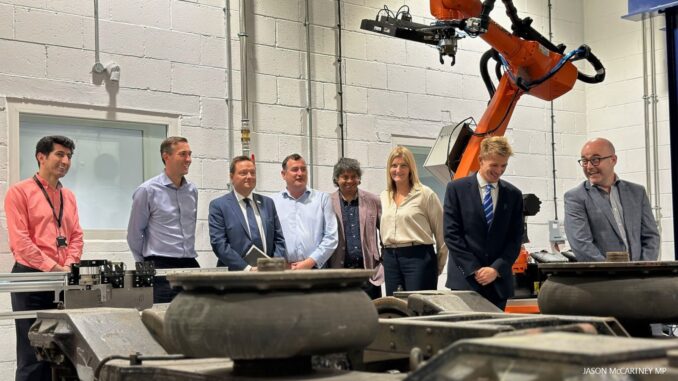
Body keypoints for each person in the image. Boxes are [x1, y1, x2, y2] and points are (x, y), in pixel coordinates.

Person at [5, 135, 84, 381]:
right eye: (59, 154)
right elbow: (21, 242)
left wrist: (68, 266)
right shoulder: (19, 192)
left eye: (69, 156)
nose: (66, 161)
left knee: (64, 351)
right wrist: (54, 267)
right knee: (33, 353)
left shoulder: (68, 196)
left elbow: (76, 236)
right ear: (41, 157)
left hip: (62, 279)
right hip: (31, 279)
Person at [443, 137, 523, 310]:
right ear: (481, 160)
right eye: (494, 165)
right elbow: (451, 235)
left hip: (498, 284)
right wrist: (475, 270)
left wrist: (495, 269)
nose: (499, 171)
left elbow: (515, 239)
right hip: (465, 281)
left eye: (504, 166)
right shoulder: (456, 189)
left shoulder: (513, 195)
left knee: (495, 335)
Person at [127, 136, 199, 303]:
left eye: (190, 154)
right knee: (164, 321)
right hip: (161, 265)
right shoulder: (147, 190)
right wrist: (145, 265)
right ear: (166, 157)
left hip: (189, 262)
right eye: (183, 154)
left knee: (196, 318)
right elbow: (134, 233)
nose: (188, 159)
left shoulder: (192, 191)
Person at [564, 137, 660, 262]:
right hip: (603, 279)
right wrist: (612, 272)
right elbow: (582, 245)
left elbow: (651, 237)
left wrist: (642, 269)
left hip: (638, 277)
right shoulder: (575, 197)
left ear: (613, 160)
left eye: (595, 160)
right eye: (584, 161)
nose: (589, 167)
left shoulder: (637, 192)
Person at [380, 146, 447, 296]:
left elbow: (441, 233)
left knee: (419, 309)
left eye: (403, 165)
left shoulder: (425, 194)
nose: (398, 170)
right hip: (391, 259)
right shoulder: (384, 196)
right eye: (394, 165)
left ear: (411, 169)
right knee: (395, 308)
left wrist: (438, 264)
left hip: (418, 258)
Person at [208, 156, 286, 270]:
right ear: (231, 177)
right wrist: (247, 269)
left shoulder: (268, 203)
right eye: (243, 173)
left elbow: (279, 240)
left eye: (252, 173)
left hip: (266, 276)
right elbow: (219, 244)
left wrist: (272, 267)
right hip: (235, 278)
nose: (249, 176)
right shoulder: (219, 206)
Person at [328, 158, 383, 299]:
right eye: (345, 177)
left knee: (372, 316)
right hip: (339, 275)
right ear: (336, 179)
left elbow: (386, 235)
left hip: (369, 274)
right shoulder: (327, 202)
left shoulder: (373, 201)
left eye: (354, 176)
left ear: (359, 179)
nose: (349, 181)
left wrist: (383, 265)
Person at [272, 153, 338, 269]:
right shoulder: (273, 202)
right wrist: (280, 263)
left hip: (315, 270)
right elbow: (270, 238)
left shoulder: (323, 199)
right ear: (283, 174)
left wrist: (309, 262)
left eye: (303, 169)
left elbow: (331, 237)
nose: (300, 173)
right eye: (295, 170)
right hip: (284, 270)